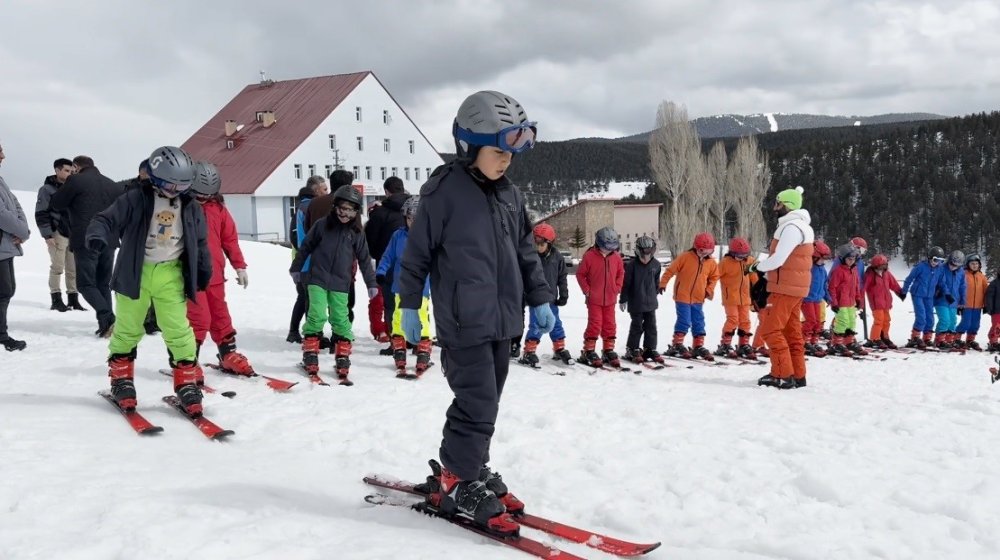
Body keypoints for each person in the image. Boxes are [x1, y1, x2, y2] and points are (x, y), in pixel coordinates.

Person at [397, 90, 553, 534]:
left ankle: (473, 465)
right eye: (498, 151)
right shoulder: (442, 192)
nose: (506, 161)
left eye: (510, 153)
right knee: (476, 400)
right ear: (469, 146)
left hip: (504, 320)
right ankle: (457, 478)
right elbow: (417, 256)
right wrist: (409, 305)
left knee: (489, 400)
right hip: (464, 320)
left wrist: (539, 296)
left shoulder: (510, 195)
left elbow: (526, 253)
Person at [85, 146, 211, 416]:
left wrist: (203, 269)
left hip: (171, 273)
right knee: (128, 327)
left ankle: (187, 383)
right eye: (170, 185)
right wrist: (97, 236)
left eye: (182, 186)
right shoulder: (134, 199)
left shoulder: (191, 206)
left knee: (178, 329)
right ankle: (122, 381)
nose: (175, 191)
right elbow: (105, 219)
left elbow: (200, 241)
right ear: (154, 178)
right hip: (135, 272)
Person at [290, 184, 378, 385]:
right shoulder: (322, 225)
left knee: (341, 318)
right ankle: (310, 355)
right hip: (317, 279)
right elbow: (305, 247)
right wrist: (297, 267)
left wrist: (371, 283)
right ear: (335, 207)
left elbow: (364, 259)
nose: (345, 214)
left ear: (356, 211)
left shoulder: (356, 232)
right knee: (317, 315)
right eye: (342, 208)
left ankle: (342, 356)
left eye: (350, 210)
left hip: (341, 282)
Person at [184, 162, 252, 373]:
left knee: (221, 315)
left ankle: (227, 353)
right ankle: (187, 360)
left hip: (215, 275)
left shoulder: (219, 209)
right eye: (199, 194)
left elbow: (229, 239)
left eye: (208, 194)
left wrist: (239, 266)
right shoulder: (181, 208)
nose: (203, 199)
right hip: (191, 276)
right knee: (199, 318)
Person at [746, 186, 814, 389]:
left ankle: (782, 374)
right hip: (795, 288)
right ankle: (798, 374)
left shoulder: (792, 228)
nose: (775, 208)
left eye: (778, 204)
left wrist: (757, 266)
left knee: (770, 330)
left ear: (789, 205)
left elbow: (778, 259)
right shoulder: (803, 227)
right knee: (791, 332)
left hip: (784, 288)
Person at [50, 155, 124, 337]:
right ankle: (107, 326)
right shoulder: (112, 184)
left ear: (76, 167)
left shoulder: (76, 181)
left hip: (86, 239)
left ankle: (108, 318)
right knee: (103, 284)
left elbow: (56, 203)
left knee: (85, 284)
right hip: (110, 239)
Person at [377, 195, 433, 376]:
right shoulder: (398, 236)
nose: (413, 223)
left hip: (421, 289)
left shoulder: (429, 238)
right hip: (399, 287)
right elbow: (387, 256)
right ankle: (400, 352)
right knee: (398, 320)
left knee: (421, 318)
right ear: (405, 218)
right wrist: (381, 271)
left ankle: (423, 351)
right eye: (410, 219)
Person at [305, 169, 358, 327]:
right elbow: (357, 232)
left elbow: (308, 230)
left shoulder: (315, 203)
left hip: (318, 261)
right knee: (344, 304)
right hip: (344, 261)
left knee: (316, 302)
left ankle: (315, 336)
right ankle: (340, 336)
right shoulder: (351, 205)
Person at [658, 232, 720, 360]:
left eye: (708, 251)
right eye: (702, 250)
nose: (705, 254)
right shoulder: (685, 257)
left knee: (699, 321)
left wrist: (709, 290)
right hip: (683, 296)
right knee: (684, 320)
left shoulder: (711, 263)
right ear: (696, 247)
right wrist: (663, 283)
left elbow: (714, 277)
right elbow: (670, 270)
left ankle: (698, 345)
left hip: (698, 297)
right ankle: (677, 344)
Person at [365, 176, 411, 346]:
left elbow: (371, 241)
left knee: (390, 303)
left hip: (388, 263)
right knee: (416, 300)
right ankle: (416, 336)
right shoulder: (415, 208)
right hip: (415, 262)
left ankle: (395, 339)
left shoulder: (380, 213)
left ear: (386, 192)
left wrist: (379, 257)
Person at [35, 158, 83, 312]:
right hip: (57, 233)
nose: (70, 174)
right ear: (57, 170)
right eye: (67, 170)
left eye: (72, 171)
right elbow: (41, 213)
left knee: (73, 268)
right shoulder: (46, 189)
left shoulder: (73, 188)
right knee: (57, 267)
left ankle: (73, 299)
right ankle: (56, 299)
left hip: (72, 234)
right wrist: (47, 235)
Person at [518, 223, 570, 366]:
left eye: (541, 243)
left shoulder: (557, 257)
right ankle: (529, 350)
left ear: (550, 243)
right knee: (536, 324)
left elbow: (562, 276)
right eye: (535, 242)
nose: (538, 246)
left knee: (556, 324)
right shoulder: (531, 258)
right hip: (537, 300)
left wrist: (564, 293)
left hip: (551, 299)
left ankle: (559, 348)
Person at [287, 175, 329, 343]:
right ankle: (307, 333)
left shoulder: (305, 207)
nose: (327, 192)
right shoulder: (306, 208)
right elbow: (295, 236)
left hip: (304, 261)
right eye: (324, 189)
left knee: (305, 297)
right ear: (315, 190)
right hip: (305, 262)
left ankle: (299, 331)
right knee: (307, 297)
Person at [577, 226, 625, 367]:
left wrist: (617, 287)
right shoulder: (589, 256)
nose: (609, 249)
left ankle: (608, 349)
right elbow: (580, 275)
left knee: (610, 324)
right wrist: (587, 290)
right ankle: (589, 350)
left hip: (610, 298)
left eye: (612, 247)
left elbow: (620, 273)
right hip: (594, 300)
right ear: (599, 243)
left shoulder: (616, 257)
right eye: (607, 247)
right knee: (595, 324)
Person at [0, 142, 30, 351]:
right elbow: (2, 215)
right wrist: (20, 230)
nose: (3, 155)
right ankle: (2, 335)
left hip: (6, 245)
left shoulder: (1, 181)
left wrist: (23, 230)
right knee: (4, 291)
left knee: (7, 290)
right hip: (2, 245)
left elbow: (15, 204)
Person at [620, 235, 664, 364]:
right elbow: (626, 283)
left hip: (650, 303)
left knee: (651, 327)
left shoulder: (656, 264)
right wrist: (623, 299)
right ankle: (632, 348)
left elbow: (656, 282)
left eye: (648, 252)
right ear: (638, 251)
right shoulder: (632, 265)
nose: (646, 256)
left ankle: (649, 348)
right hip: (636, 302)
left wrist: (654, 294)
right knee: (637, 326)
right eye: (644, 252)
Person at [713, 237, 757, 359]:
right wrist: (707, 288)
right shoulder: (725, 263)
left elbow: (755, 279)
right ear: (732, 253)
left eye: (744, 255)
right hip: (730, 298)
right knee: (733, 319)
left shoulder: (750, 261)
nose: (742, 258)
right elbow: (714, 276)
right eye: (739, 255)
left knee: (745, 321)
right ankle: (725, 344)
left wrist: (759, 293)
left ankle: (744, 344)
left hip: (745, 298)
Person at [900, 246, 946, 349]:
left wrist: (946, 293)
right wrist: (904, 291)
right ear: (929, 258)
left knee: (930, 318)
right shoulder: (921, 267)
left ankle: (927, 338)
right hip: (918, 294)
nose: (936, 263)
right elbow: (909, 279)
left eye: (940, 261)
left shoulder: (939, 269)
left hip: (929, 296)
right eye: (935, 260)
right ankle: (915, 338)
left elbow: (942, 283)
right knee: (921, 317)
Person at [827, 244, 866, 356]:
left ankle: (849, 342)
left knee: (851, 322)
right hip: (841, 303)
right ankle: (836, 343)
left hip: (851, 302)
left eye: (853, 259)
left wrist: (858, 299)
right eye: (849, 259)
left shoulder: (854, 271)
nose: (851, 261)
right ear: (843, 259)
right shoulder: (838, 271)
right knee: (842, 322)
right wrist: (834, 302)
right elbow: (832, 288)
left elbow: (856, 286)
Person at [861, 253, 904, 350]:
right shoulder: (870, 275)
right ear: (876, 265)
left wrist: (900, 292)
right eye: (881, 265)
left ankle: (884, 337)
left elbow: (893, 284)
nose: (883, 267)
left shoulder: (886, 274)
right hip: (876, 303)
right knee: (879, 321)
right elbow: (863, 288)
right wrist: (860, 299)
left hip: (886, 302)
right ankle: (874, 339)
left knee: (887, 320)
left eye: (885, 265)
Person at [802, 240, 832, 357]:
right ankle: (804, 341)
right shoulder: (808, 268)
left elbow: (824, 285)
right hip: (807, 299)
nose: (823, 261)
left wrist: (827, 297)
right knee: (811, 321)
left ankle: (813, 342)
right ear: (814, 257)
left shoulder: (822, 269)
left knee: (818, 322)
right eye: (821, 258)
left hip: (818, 300)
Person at [933, 250, 966, 348]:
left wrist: (962, 301)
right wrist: (945, 294)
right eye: (952, 264)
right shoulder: (941, 268)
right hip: (941, 299)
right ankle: (939, 339)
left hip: (954, 301)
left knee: (953, 321)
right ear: (949, 260)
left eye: (956, 265)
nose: (953, 267)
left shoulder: (961, 272)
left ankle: (949, 339)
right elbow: (941, 283)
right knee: (945, 320)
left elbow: (962, 287)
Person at [956, 253, 986, 350]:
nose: (974, 265)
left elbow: (986, 291)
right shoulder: (963, 274)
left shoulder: (981, 276)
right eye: (972, 263)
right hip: (966, 305)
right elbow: (958, 289)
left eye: (976, 264)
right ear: (968, 264)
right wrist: (958, 304)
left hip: (978, 306)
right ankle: (956, 338)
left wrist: (986, 304)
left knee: (975, 324)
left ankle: (970, 340)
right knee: (966, 323)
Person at [984, 272, 1000, 352]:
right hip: (996, 309)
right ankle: (993, 342)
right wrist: (989, 307)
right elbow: (989, 296)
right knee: (996, 326)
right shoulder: (994, 283)